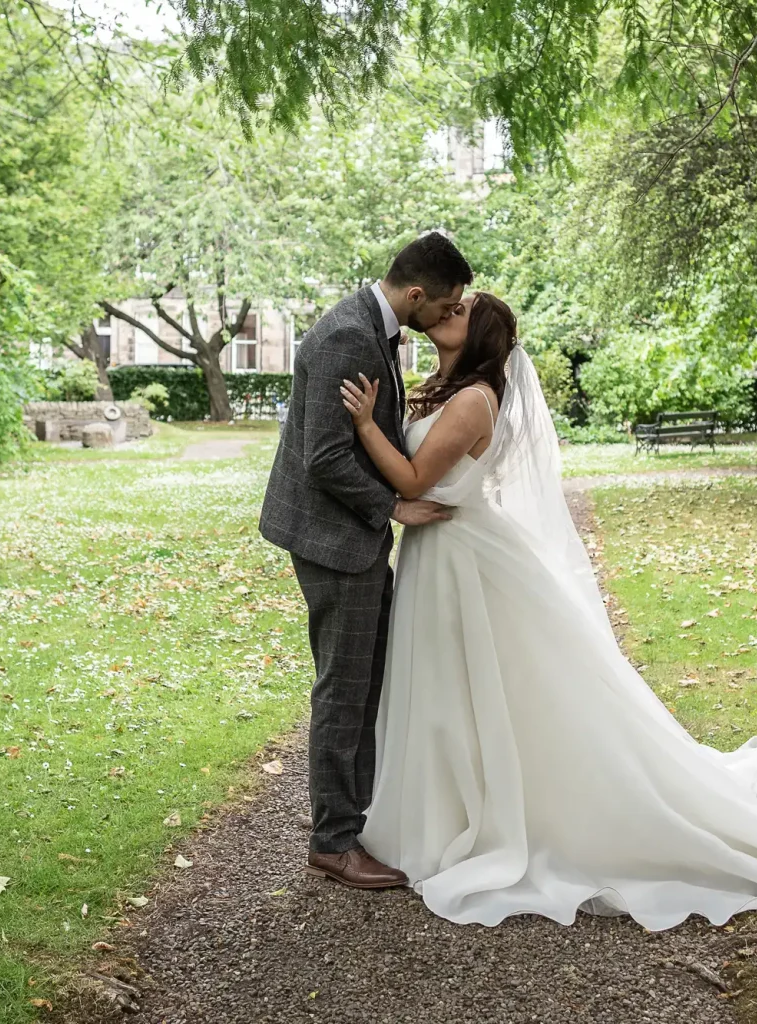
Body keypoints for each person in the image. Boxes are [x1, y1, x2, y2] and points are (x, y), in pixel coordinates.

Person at [336, 291, 757, 929]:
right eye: (447, 306)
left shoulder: (476, 399)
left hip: (462, 555)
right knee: (452, 691)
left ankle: (494, 815)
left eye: (460, 312)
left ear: (479, 338)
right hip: (442, 552)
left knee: (482, 686)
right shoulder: (439, 387)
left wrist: (366, 425)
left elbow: (417, 480)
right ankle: (447, 806)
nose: (446, 314)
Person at [259, 232, 471, 889]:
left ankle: (350, 815)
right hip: (334, 539)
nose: (449, 315)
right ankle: (333, 842)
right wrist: (391, 508)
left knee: (362, 681)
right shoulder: (349, 335)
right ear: (416, 294)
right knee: (345, 689)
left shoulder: (373, 328)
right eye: (447, 304)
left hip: (344, 535)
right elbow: (323, 455)